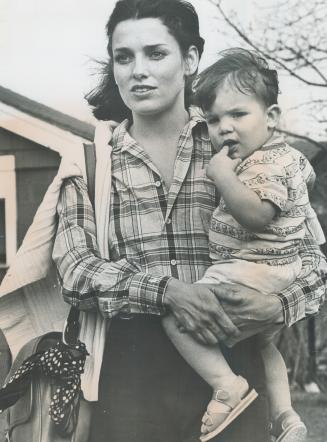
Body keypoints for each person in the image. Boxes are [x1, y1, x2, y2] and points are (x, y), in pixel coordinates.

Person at [52, 1, 327, 441]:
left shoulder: (240, 146)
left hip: (236, 371)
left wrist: (280, 305)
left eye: (156, 53)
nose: (138, 70)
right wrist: (168, 292)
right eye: (124, 57)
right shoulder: (91, 161)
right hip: (131, 381)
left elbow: (310, 256)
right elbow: (76, 272)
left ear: (191, 60)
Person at [162, 48, 325, 442]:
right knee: (265, 346)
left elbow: (255, 216)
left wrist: (221, 175)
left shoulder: (262, 164)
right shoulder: (287, 158)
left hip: (252, 269)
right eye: (214, 120)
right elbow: (308, 183)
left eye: (238, 115)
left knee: (178, 315)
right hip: (278, 273)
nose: (224, 129)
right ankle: (285, 415)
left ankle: (227, 386)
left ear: (271, 118)